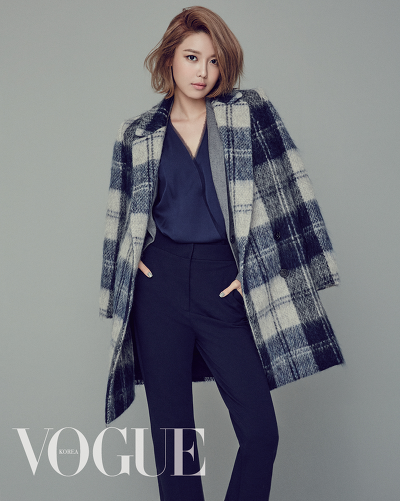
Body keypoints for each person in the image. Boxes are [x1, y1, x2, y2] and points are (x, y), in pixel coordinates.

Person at [99, 6, 344, 501]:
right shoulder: (137, 133)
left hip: (223, 281)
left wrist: (256, 268)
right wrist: (131, 266)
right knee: (175, 447)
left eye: (213, 61)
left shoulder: (248, 114)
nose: (203, 72)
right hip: (159, 288)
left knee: (260, 434)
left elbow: (288, 190)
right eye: (192, 57)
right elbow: (120, 218)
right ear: (169, 59)